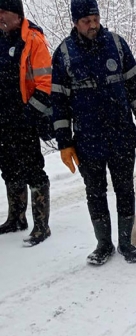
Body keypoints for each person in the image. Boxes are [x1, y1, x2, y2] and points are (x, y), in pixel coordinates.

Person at [50, 0, 136, 265]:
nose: (93, 25)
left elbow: (134, 86)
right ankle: (103, 244)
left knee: (124, 190)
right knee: (95, 193)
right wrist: (64, 143)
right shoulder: (64, 54)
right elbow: (59, 103)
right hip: (88, 140)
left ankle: (126, 242)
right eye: (86, 21)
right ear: (75, 23)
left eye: (95, 19)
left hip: (120, 134)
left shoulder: (117, 45)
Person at [0, 0, 52, 247]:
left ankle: (41, 225)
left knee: (33, 169)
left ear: (18, 15)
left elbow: (45, 84)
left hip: (26, 119)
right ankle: (16, 218)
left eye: (3, 12)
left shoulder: (33, 40)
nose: (0, 17)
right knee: (9, 168)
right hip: (3, 120)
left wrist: (29, 116)